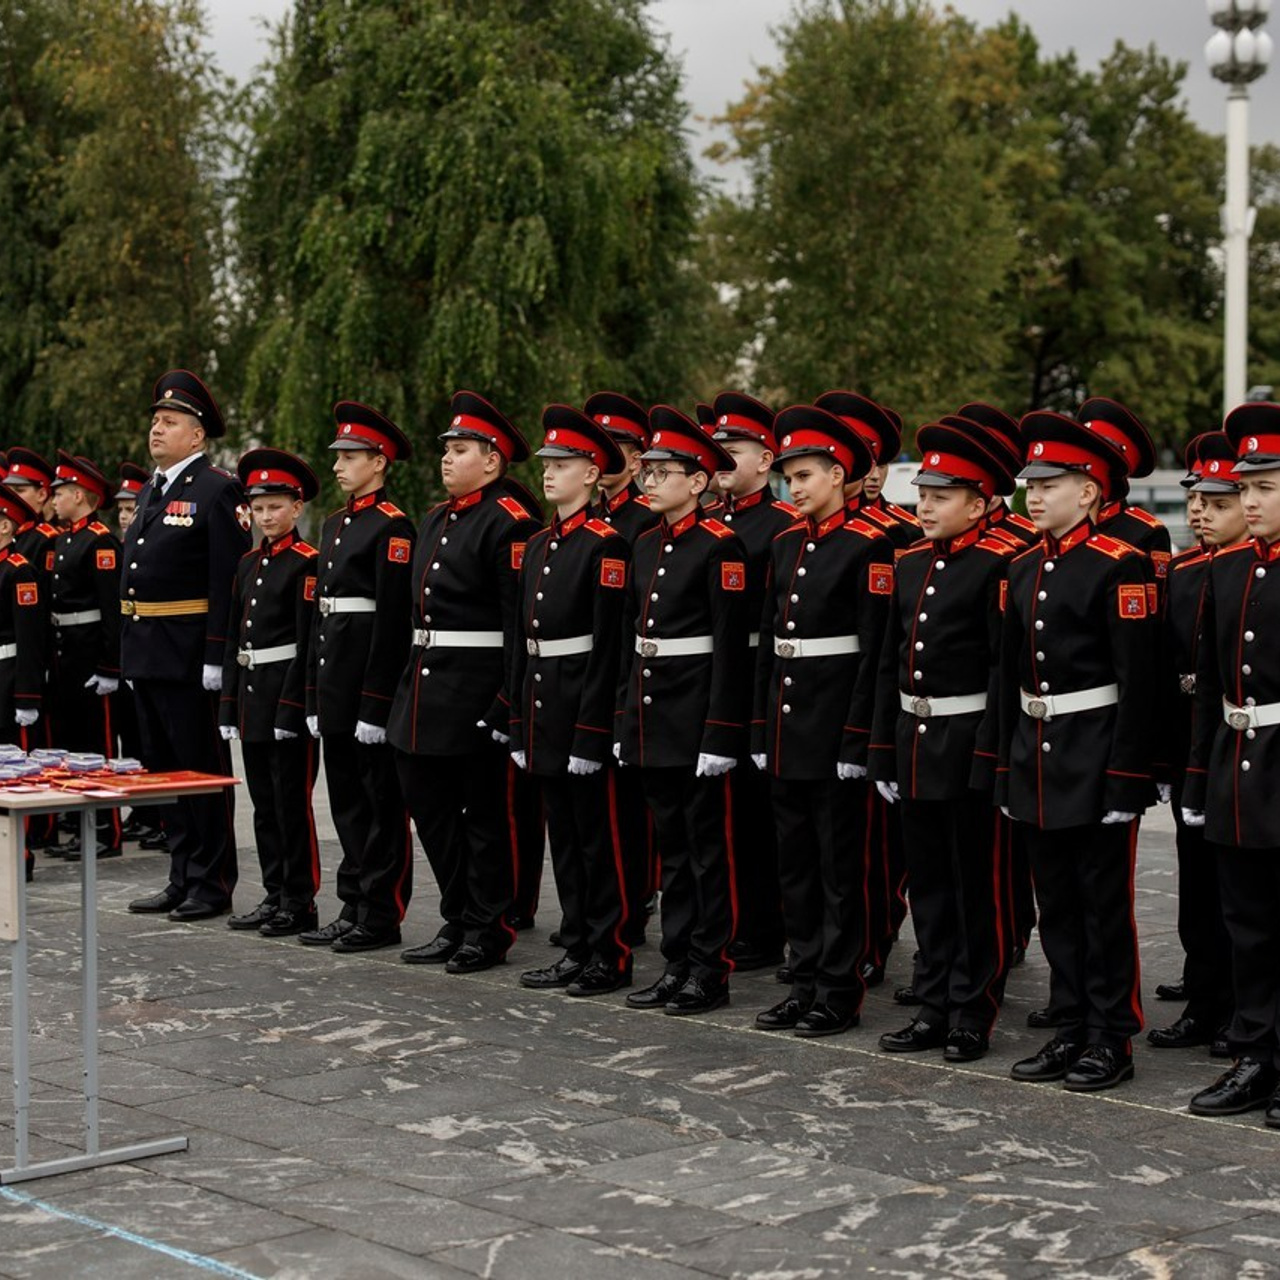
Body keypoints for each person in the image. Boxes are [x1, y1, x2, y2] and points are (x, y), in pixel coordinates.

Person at [999, 411, 1156, 1092]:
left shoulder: (1119, 567)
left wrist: (1127, 776)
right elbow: (1011, 677)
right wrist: (1009, 763)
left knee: (1102, 902)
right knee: (1056, 900)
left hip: (1095, 755)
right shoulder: (1024, 565)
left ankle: (1110, 1037)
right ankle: (1070, 1026)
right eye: (1029, 484)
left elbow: (1140, 684)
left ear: (1090, 491)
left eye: (1051, 484)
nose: (1033, 496)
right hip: (1037, 755)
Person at [869, 423, 1016, 1062]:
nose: (923, 504)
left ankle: (971, 1010)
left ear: (980, 503)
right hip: (913, 738)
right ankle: (932, 1003)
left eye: (940, 495)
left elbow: (1001, 670)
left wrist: (988, 754)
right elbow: (887, 663)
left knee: (973, 884)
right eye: (921, 491)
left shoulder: (1000, 563)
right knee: (926, 882)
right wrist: (881, 748)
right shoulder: (908, 563)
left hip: (966, 742)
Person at [752, 405, 893, 1037]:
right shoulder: (785, 544)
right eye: (788, 477)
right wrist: (759, 730)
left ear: (839, 474)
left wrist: (858, 738)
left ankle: (839, 988)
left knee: (842, 869)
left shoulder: (872, 543)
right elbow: (769, 644)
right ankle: (802, 977)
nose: (795, 487)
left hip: (835, 729)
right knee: (796, 866)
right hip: (788, 728)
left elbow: (875, 651)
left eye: (805, 474)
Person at [390, 392, 539, 973]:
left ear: (494, 461)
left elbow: (516, 622)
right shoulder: (435, 517)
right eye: (446, 450)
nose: (446, 460)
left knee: (483, 818)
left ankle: (488, 926)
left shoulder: (510, 524)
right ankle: (458, 916)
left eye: (460, 451)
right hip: (425, 690)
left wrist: (507, 698)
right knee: (426, 805)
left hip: (475, 692)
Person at [617, 407, 750, 1016]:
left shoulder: (722, 548)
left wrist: (721, 734)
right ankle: (676, 963)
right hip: (653, 717)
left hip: (697, 719)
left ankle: (709, 968)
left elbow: (729, 649)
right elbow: (633, 643)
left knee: (706, 850)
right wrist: (626, 720)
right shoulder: (645, 544)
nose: (649, 481)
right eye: (647, 471)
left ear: (698, 481)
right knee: (671, 848)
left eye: (664, 472)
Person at [510, 407, 633, 996]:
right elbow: (523, 639)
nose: (550, 474)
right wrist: (518, 719)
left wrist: (593, 728)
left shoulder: (606, 545)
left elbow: (608, 647)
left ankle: (608, 953)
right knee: (563, 834)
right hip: (543, 703)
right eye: (548, 464)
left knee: (596, 837)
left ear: (592, 473)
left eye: (563, 464)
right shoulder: (539, 544)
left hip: (581, 701)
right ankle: (577, 942)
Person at [122, 370, 249, 921]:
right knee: (166, 773)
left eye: (169, 422)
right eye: (155, 420)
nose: (157, 429)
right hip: (148, 650)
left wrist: (216, 658)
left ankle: (212, 881)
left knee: (199, 770)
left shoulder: (218, 490)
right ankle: (180, 874)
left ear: (196, 436)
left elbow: (228, 582)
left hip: (189, 652)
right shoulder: (154, 488)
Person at [1184, 403, 1280, 1125]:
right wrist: (1202, 776)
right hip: (1238, 763)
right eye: (1244, 488)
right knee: (1247, 921)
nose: (1248, 502)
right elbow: (1213, 687)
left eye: (1265, 487)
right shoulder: (1228, 569)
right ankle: (1256, 1056)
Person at [303, 401, 415, 953]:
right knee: (346, 799)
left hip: (367, 683)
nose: (341, 466)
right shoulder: (333, 523)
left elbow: (392, 622)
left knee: (379, 803)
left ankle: (381, 909)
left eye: (352, 456)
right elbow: (324, 615)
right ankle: (352, 902)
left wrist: (375, 702)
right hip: (334, 680)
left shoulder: (393, 527)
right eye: (339, 456)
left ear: (380, 462)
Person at [812, 390, 916, 988]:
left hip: (873, 711)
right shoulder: (808, 535)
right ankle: (845, 943)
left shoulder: (895, 534)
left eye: (872, 461)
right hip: (826, 712)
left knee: (877, 844)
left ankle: (875, 935)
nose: (866, 474)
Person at [1147, 432, 1240, 1056]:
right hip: (1188, 741)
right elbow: (1159, 670)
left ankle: (1243, 1008)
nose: (1199, 510)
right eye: (1195, 497)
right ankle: (1206, 999)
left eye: (1215, 498)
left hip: (1238, 743)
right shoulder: (1179, 571)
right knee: (1197, 884)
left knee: (1243, 889)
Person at [707, 391, 799, 973]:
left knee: (760, 816)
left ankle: (766, 927)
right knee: (721, 817)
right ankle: (734, 921)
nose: (719, 460)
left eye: (732, 450)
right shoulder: (710, 523)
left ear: (765, 460)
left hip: (758, 680)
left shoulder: (783, 526)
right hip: (712, 678)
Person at [220, 449, 322, 938]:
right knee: (262, 804)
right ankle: (274, 892)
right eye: (259, 509)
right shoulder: (246, 565)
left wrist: (294, 706)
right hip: (252, 697)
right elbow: (236, 636)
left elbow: (307, 645)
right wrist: (228, 704)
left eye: (276, 507)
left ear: (296, 508)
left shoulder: (307, 564)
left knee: (291, 803)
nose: (266, 517)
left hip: (285, 698)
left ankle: (300, 901)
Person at [585, 391, 661, 947]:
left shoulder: (641, 521)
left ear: (636, 460)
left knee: (633, 816)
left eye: (619, 447)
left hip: (634, 678)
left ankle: (633, 906)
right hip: (594, 679)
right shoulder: (590, 518)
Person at [47, 453, 123, 858]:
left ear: (80, 494)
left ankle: (105, 830)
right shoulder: (64, 538)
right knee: (71, 744)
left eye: (60, 492)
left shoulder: (100, 540)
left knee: (97, 746)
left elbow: (112, 609)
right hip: (66, 652)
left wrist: (110, 665)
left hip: (91, 652)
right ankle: (80, 824)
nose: (54, 499)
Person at [0, 488, 47, 882]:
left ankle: (22, 854)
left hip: (8, 679)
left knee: (14, 773)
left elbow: (30, 637)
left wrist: (27, 695)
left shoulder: (19, 570)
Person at [112, 462, 160, 848]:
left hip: (163, 651)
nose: (127, 518)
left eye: (132, 510)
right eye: (123, 511)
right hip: (137, 651)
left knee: (151, 744)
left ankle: (154, 815)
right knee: (142, 742)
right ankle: (148, 812)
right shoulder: (126, 544)